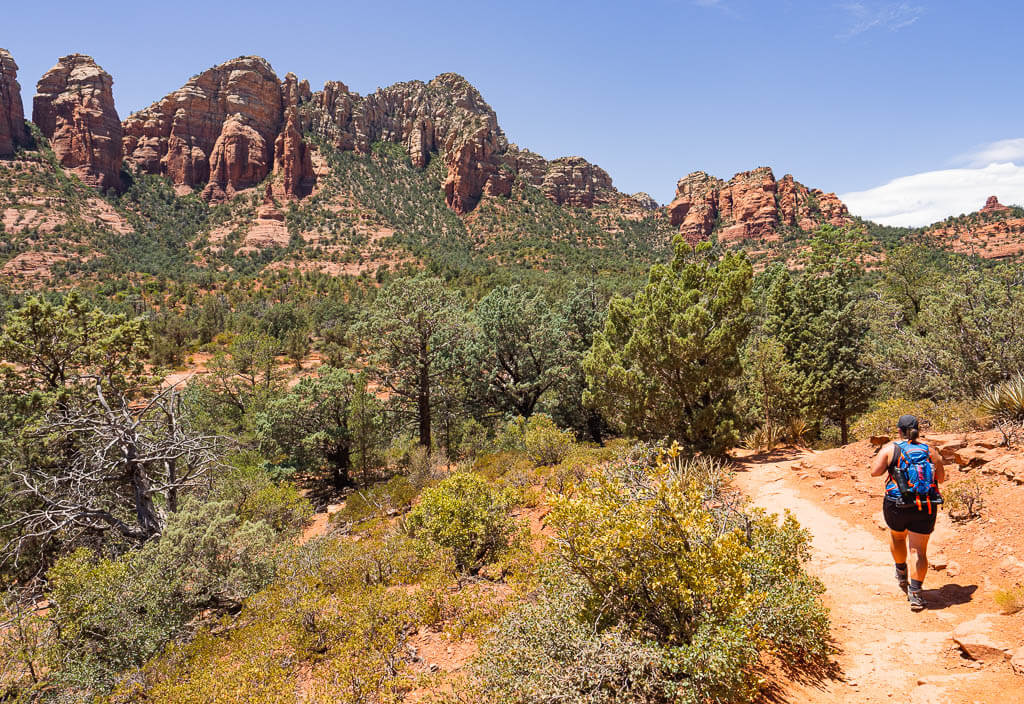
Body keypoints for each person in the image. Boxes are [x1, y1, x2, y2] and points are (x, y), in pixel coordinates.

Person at [870, 414, 945, 611]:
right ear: (918, 429)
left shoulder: (890, 449)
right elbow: (942, 478)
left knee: (897, 537)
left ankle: (901, 572)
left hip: (897, 503)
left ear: (899, 430)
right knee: (918, 550)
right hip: (925, 504)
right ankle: (916, 593)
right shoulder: (930, 451)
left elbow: (875, 472)